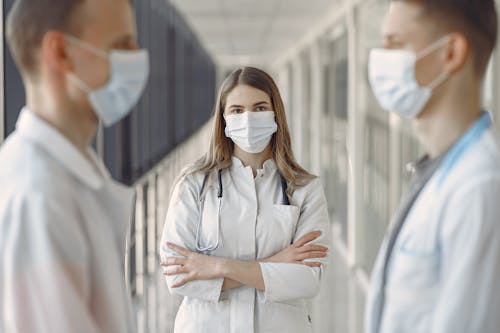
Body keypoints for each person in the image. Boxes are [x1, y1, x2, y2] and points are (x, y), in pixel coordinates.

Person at [0, 0, 149, 331]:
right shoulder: (38, 196)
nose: (138, 57)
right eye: (122, 46)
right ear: (62, 53)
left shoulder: (69, 174)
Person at [159, 67, 330, 333]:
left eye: (260, 108)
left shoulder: (305, 188)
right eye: (237, 110)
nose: (248, 118)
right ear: (224, 119)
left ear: (276, 115)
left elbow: (307, 279)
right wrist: (275, 264)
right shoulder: (194, 182)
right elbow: (178, 275)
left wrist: (218, 266)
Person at [365, 0, 500, 332]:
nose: (380, 59)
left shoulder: (480, 188)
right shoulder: (437, 172)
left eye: (395, 43)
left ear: (451, 53)